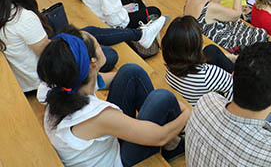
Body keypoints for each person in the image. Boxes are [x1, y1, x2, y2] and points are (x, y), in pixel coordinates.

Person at [38, 30, 190, 166]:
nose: (101, 46)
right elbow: (160, 137)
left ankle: (173, 143)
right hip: (117, 161)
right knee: (162, 98)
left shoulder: (64, 85)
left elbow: (120, 78)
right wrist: (187, 113)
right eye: (98, 44)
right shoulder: (99, 115)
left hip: (101, 148)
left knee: (131, 72)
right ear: (93, 63)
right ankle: (174, 145)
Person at [0, 0, 119, 92]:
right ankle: (138, 35)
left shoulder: (7, 11)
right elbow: (49, 54)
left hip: (28, 77)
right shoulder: (23, 18)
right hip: (43, 79)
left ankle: (137, 34)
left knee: (88, 32)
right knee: (109, 54)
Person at [184, 0, 268, 52]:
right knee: (261, 33)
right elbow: (237, 14)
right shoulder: (210, 8)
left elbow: (212, 3)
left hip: (203, 33)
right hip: (222, 41)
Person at [162, 16, 234, 105]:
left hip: (189, 92)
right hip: (213, 105)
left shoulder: (170, 65)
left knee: (211, 50)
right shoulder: (210, 74)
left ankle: (230, 57)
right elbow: (234, 90)